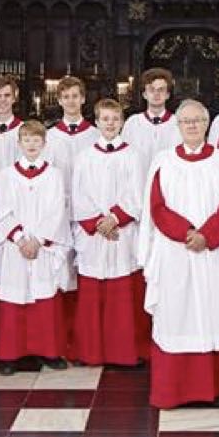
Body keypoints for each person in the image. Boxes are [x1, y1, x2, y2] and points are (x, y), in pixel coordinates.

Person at [140, 99, 219, 408]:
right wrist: (185, 233)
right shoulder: (163, 161)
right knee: (176, 316)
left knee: (213, 316)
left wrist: (207, 235)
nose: (191, 126)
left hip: (213, 254)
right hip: (174, 253)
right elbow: (156, 205)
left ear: (206, 124)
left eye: (197, 120)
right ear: (177, 126)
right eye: (185, 121)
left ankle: (215, 389)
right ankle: (172, 391)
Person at [70, 98, 149, 367]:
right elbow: (78, 195)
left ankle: (123, 351)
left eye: (115, 119)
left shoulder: (133, 155)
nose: (110, 124)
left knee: (122, 294)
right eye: (105, 119)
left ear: (122, 121)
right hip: (94, 235)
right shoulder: (85, 156)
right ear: (97, 121)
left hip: (122, 233)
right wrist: (98, 223)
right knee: (92, 294)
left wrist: (115, 218)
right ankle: (90, 351)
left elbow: (137, 194)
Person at [0, 120, 72, 373]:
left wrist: (38, 240)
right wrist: (19, 238)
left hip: (42, 247)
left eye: (37, 140)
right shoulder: (6, 175)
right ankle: (9, 355)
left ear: (44, 144)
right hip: (16, 247)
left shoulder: (54, 174)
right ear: (19, 143)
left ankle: (48, 351)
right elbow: (2, 210)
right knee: (15, 301)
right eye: (27, 140)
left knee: (44, 300)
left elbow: (57, 211)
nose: (32, 145)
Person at [123, 68, 182, 166]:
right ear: (144, 94)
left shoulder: (178, 123)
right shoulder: (133, 123)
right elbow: (124, 156)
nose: (156, 94)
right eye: (151, 89)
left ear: (167, 95)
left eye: (161, 90)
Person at [45, 76, 98, 176]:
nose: (71, 101)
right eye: (66, 97)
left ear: (83, 99)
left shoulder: (96, 135)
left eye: (75, 96)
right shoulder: (50, 136)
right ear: (60, 101)